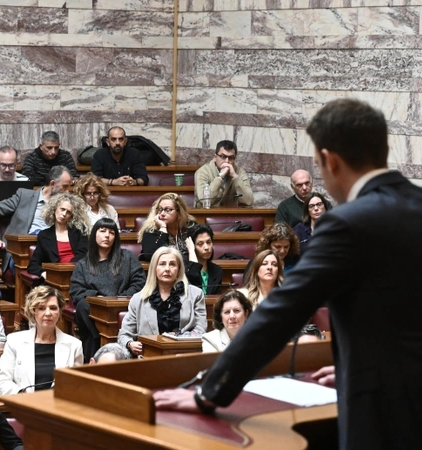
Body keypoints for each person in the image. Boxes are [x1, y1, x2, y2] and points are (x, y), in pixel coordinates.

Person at [153, 98, 422, 450]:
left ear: (330, 160)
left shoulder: (345, 224)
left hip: (388, 413)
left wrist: (209, 392)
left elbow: (280, 312)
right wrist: (354, 364)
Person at [70, 218, 145, 361]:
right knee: (82, 305)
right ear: (94, 234)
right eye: (103, 231)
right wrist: (97, 297)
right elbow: (76, 291)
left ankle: (99, 353)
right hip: (94, 309)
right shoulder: (83, 264)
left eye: (111, 232)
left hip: (122, 304)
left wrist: (119, 298)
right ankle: (98, 340)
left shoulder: (127, 257)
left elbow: (139, 282)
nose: (107, 236)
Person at [118, 247, 206, 357]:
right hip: (150, 358)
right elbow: (124, 335)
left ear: (179, 270)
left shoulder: (196, 295)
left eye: (172, 264)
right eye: (162, 264)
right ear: (154, 268)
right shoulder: (138, 299)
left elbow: (200, 330)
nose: (167, 269)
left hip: (185, 357)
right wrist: (130, 343)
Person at [0, 286, 83, 394]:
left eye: (53, 308)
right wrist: (25, 398)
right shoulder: (14, 341)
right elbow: (3, 383)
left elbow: (76, 386)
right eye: (42, 308)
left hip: (58, 403)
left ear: (60, 311)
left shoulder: (74, 345)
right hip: (23, 402)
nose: (48, 313)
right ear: (33, 311)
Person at [0, 165, 73, 270]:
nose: (67, 191)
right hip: (22, 251)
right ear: (52, 184)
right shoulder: (24, 195)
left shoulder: (66, 205)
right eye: (65, 187)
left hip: (53, 252)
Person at [26, 192, 90, 281]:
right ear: (54, 208)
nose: (64, 214)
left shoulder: (79, 231)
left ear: (72, 216)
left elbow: (83, 255)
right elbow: (33, 264)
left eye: (68, 212)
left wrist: (68, 269)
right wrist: (43, 273)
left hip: (77, 274)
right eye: (62, 209)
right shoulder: (44, 235)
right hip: (55, 277)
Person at [138, 192, 196, 262]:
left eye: (167, 210)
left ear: (179, 212)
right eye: (160, 209)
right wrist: (163, 229)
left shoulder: (191, 227)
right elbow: (150, 256)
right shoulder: (151, 231)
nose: (162, 214)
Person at [194, 140, 253, 208]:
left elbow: (249, 201)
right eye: (223, 156)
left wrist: (235, 177)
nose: (227, 161)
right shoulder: (203, 172)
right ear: (215, 157)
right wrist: (220, 177)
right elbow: (204, 200)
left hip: (230, 213)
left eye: (231, 158)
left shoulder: (239, 172)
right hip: (205, 213)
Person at [187, 224, 223, 295]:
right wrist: (191, 251)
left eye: (208, 242)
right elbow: (194, 293)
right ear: (192, 246)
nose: (206, 247)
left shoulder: (217, 270)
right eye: (200, 244)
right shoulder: (185, 269)